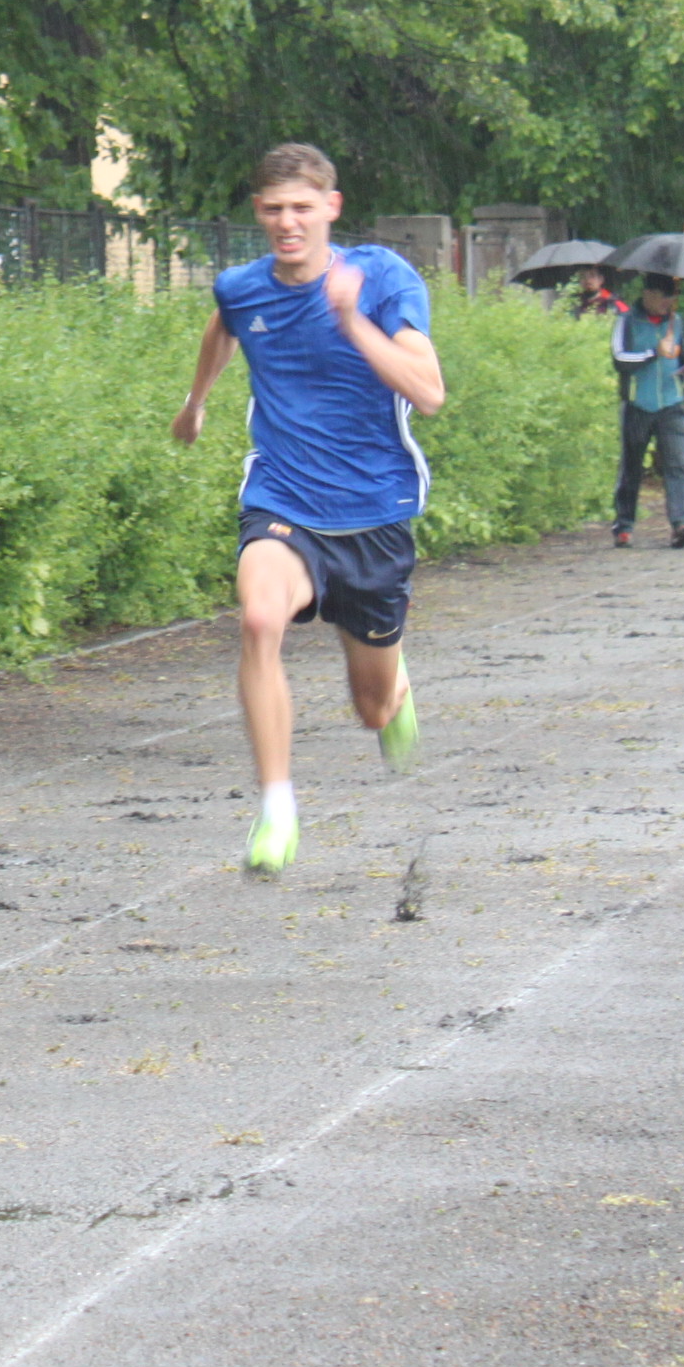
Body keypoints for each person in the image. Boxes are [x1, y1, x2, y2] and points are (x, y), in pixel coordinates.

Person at [171, 143, 444, 877]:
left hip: (373, 512)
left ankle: (395, 687)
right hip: (283, 497)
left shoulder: (382, 278)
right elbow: (224, 325)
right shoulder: (243, 287)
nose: (287, 223)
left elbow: (429, 392)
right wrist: (196, 402)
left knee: (372, 710)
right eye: (273, 210)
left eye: (301, 208)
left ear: (332, 207)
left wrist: (352, 321)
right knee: (259, 619)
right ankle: (277, 808)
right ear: (258, 213)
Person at [611, 274, 684, 547]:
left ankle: (683, 523)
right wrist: (653, 352)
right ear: (648, 294)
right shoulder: (626, 321)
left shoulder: (677, 322)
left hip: (672, 403)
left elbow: (683, 363)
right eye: (663, 297)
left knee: (678, 464)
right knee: (632, 466)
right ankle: (624, 524)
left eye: (671, 297)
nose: (667, 303)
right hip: (637, 403)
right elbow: (619, 359)